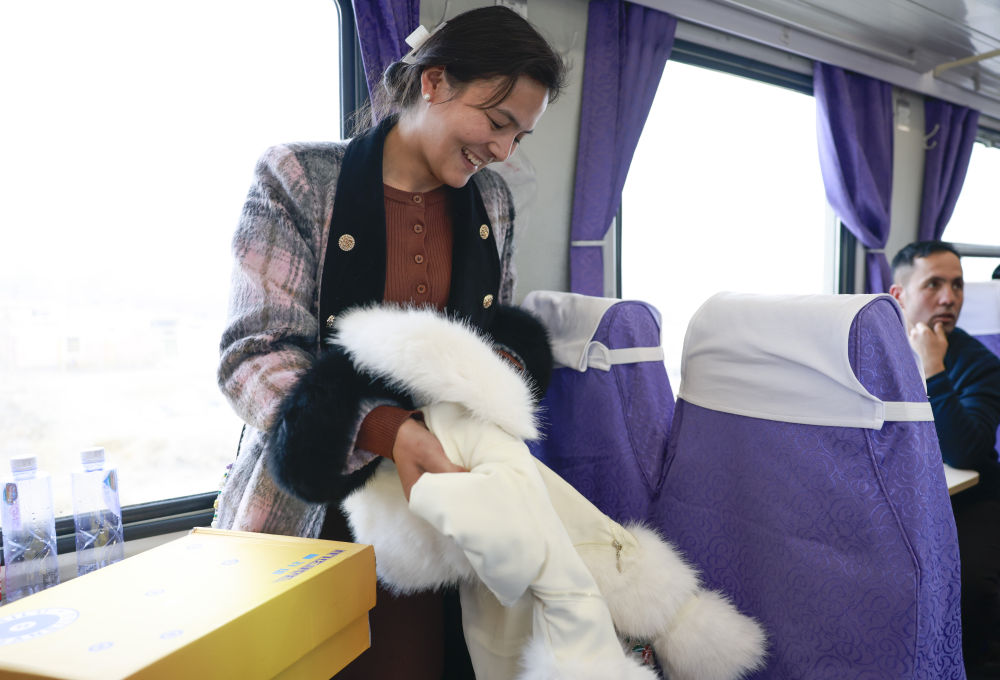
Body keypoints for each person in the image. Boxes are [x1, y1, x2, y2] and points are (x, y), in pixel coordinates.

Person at [213, 7, 566, 679]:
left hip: (431, 527)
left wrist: (497, 378)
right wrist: (387, 430)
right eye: (497, 123)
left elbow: (489, 333)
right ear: (434, 82)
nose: (503, 152)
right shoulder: (299, 178)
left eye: (519, 136)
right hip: (307, 517)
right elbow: (254, 354)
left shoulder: (492, 205)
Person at [890, 240, 1000, 676]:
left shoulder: (979, 364)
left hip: (970, 498)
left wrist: (933, 369)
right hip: (897, 492)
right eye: (933, 284)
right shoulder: (872, 351)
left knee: (966, 583)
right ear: (899, 295)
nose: (949, 298)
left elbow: (966, 449)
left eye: (957, 285)